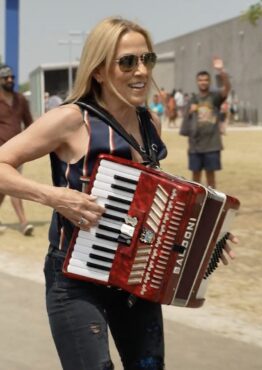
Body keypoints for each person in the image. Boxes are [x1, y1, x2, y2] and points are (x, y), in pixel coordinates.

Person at [0, 17, 237, 369]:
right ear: (98, 70)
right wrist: (54, 197)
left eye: (147, 60)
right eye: (127, 62)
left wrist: (207, 236)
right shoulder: (70, 119)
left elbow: (154, 200)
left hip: (134, 281)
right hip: (74, 280)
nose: (141, 70)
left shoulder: (149, 123)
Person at [186, 58, 231, 189]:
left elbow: (227, 88)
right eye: (200, 80)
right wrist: (190, 111)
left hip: (211, 145)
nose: (203, 82)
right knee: (195, 180)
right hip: (195, 145)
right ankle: (195, 207)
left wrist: (221, 71)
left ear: (209, 81)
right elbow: (186, 120)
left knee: (211, 180)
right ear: (197, 82)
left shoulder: (214, 97)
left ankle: (211, 205)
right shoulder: (193, 98)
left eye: (206, 80)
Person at [0, 64, 34, 235]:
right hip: (0, 152)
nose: (10, 80)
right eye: (6, 78)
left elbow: (29, 124)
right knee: (9, 186)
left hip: (16, 151)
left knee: (9, 186)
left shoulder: (21, 99)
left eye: (11, 77)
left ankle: (23, 223)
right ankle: (24, 222)